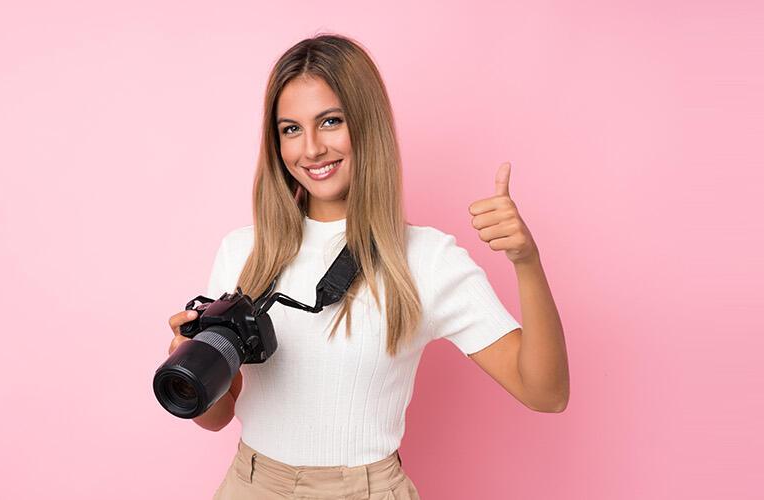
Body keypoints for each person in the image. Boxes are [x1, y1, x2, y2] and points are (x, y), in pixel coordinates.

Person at [164, 34, 571, 500]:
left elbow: (546, 394)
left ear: (367, 125)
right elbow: (218, 417)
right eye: (290, 129)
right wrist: (187, 364)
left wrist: (527, 263)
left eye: (330, 121)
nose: (312, 149)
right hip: (251, 484)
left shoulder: (424, 258)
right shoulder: (243, 251)